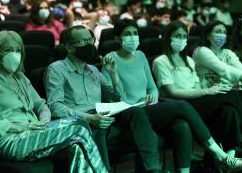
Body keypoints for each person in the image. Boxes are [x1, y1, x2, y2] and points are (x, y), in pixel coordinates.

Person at [101, 19, 242, 173]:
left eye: (135, 33)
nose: (132, 37)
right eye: (127, 34)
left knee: (183, 125)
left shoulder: (140, 55)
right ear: (117, 38)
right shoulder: (110, 60)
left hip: (151, 107)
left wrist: (151, 97)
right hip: (132, 113)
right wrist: (114, 76)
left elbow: (152, 88)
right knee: (186, 105)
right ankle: (220, 154)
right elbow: (116, 100)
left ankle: (186, 170)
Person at [0, 30, 107, 173]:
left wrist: (44, 120)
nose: (14, 54)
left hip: (35, 132)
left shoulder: (21, 78)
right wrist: (16, 127)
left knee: (76, 147)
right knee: (79, 126)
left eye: (18, 50)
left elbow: (41, 105)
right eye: (8, 50)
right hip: (10, 140)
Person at [45, 25, 166, 173]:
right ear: (69, 47)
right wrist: (89, 118)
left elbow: (120, 101)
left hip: (102, 114)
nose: (89, 45)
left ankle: (153, 170)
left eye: (90, 40)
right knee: (97, 128)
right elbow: (55, 107)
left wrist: (114, 75)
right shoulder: (56, 69)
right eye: (83, 41)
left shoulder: (94, 70)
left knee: (135, 111)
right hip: (80, 120)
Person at [152, 20, 242, 159]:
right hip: (180, 106)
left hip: (197, 102)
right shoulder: (160, 61)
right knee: (231, 95)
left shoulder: (189, 61)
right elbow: (172, 92)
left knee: (229, 110)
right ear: (168, 37)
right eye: (177, 36)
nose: (182, 40)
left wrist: (207, 90)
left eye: (184, 36)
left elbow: (197, 87)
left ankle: (230, 155)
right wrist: (207, 92)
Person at [192, 20, 242, 89]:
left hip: (227, 91)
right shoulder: (201, 51)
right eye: (218, 32)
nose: (222, 35)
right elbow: (224, 70)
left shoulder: (227, 52)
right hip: (207, 93)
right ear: (208, 36)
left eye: (224, 32)